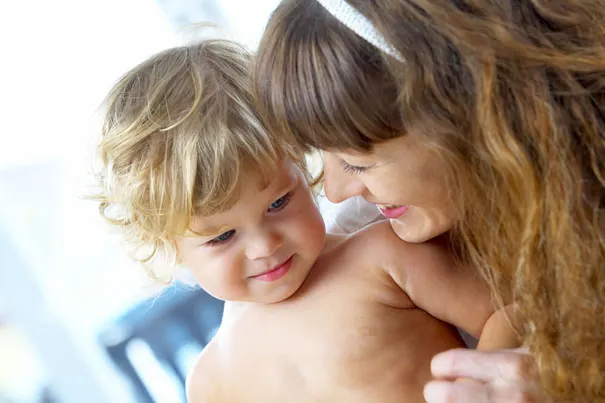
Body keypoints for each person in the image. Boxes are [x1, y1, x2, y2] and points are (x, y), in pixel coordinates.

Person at [93, 39, 518, 402]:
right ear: (166, 244)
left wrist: (480, 386)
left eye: (279, 203)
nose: (265, 246)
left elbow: (509, 312)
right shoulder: (210, 381)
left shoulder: (383, 256)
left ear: (301, 162)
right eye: (222, 236)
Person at [254, 0, 605, 402]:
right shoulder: (363, 227)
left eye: (357, 163)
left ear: (472, 112)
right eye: (321, 155)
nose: (334, 191)